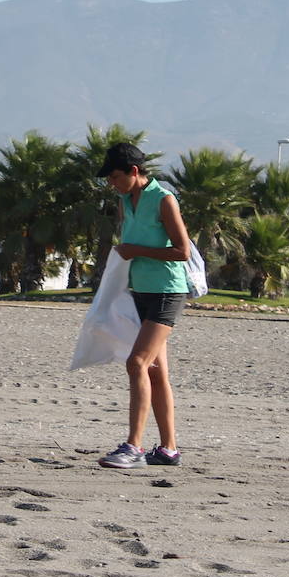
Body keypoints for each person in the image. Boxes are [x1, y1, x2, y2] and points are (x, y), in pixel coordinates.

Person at [96, 142, 191, 469]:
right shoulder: (126, 198)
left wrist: (136, 249)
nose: (112, 182)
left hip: (167, 291)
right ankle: (168, 449)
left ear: (134, 172)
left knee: (136, 363)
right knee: (155, 370)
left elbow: (182, 251)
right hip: (141, 291)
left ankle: (133, 447)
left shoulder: (163, 200)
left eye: (115, 176)